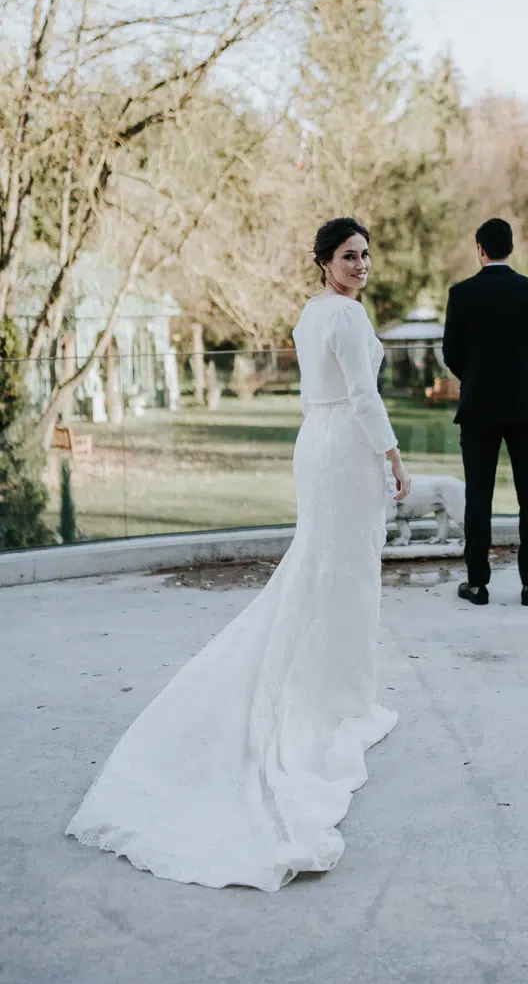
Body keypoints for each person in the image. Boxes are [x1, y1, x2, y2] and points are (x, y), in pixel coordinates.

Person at [65, 218, 410, 892]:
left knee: (323, 572)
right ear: (323, 262)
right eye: (348, 256)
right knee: (341, 577)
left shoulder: (310, 316)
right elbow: (364, 397)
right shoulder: (342, 315)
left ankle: (335, 689)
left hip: (315, 440)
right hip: (343, 448)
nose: (361, 265)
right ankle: (334, 698)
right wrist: (394, 458)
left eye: (366, 255)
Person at [443, 218, 528, 607]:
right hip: (525, 407)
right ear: (511, 247)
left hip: (477, 408)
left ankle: (477, 585)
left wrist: (476, 377)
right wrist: (521, 374)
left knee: (479, 498)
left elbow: (451, 355)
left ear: (480, 249)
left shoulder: (462, 294)